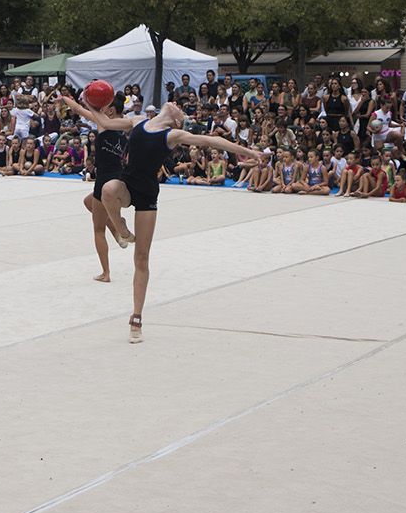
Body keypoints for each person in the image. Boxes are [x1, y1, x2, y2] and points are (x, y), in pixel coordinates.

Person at [96, 102, 263, 343]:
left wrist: (249, 152)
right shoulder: (138, 120)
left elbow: (211, 141)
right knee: (107, 189)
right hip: (127, 185)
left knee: (141, 258)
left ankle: (136, 317)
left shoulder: (173, 134)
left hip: (147, 194)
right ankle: (121, 228)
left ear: (176, 120)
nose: (174, 104)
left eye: (178, 109)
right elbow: (104, 122)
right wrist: (87, 103)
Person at [58, 88, 128, 283]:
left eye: (104, 107)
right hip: (119, 179)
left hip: (104, 179)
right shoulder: (125, 127)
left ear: (111, 111)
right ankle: (117, 228)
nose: (101, 111)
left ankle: (106, 273)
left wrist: (66, 98)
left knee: (98, 230)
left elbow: (80, 110)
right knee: (88, 202)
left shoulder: (104, 125)